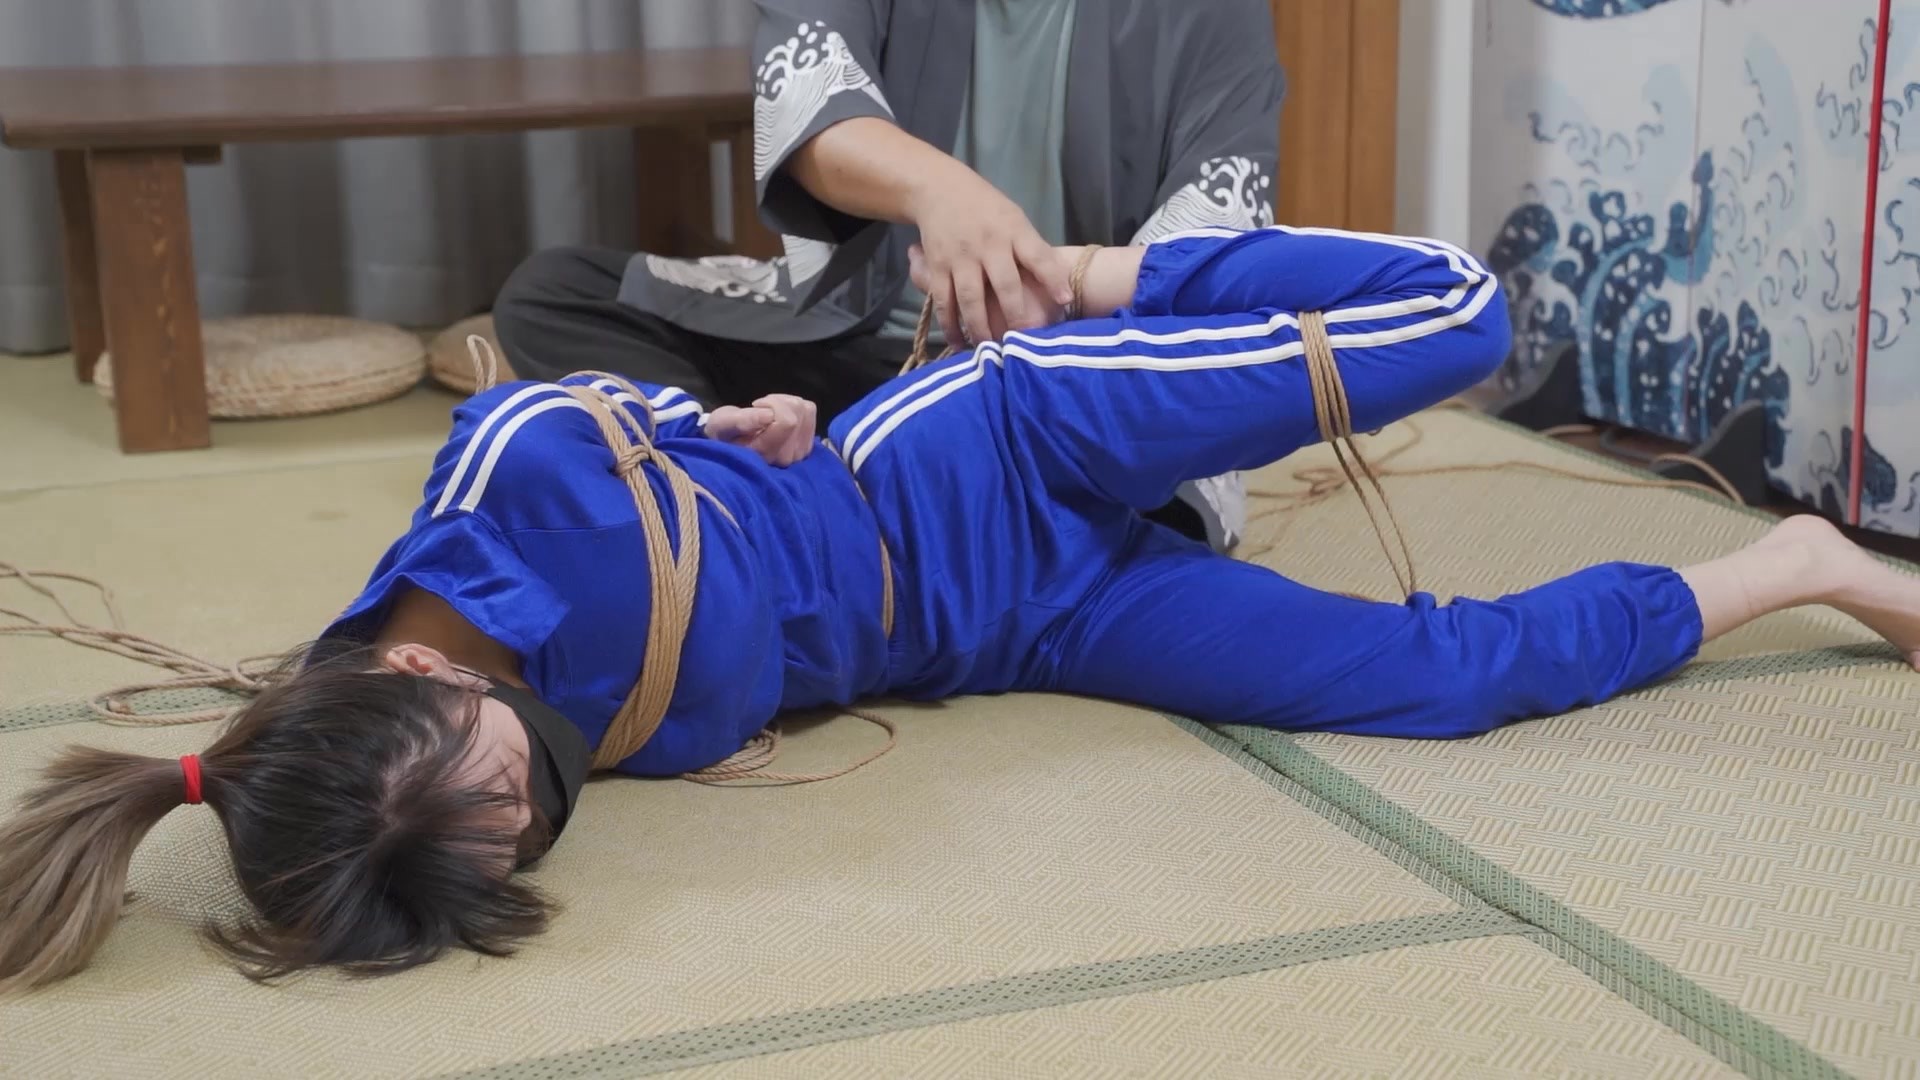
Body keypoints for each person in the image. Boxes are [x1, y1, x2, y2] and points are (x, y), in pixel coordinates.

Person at [5, 226, 1918, 994]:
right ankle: (1803, 566)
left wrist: (741, 420)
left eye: (506, 772)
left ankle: (1126, 260)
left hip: (984, 446)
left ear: (418, 671)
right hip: (1020, 626)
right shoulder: (403, 770)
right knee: (1429, 687)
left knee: (1462, 325)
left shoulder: (512, 488)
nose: (542, 791)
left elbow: (586, 395)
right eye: (532, 822)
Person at [491, 0, 1286, 552]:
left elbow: (1212, 241)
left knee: (1158, 493)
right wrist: (942, 191)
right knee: (557, 295)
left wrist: (1063, 295)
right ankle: (756, 479)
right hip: (862, 346)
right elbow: (811, 110)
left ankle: (787, 513)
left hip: (1070, 379)